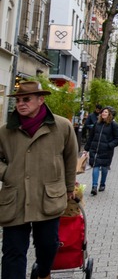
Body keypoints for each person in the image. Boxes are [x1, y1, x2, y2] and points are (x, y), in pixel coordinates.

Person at [0, 81, 79, 279]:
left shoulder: (62, 126)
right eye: (18, 100)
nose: (21, 103)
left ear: (41, 100)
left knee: (48, 245)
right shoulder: (5, 131)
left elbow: (71, 157)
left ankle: (43, 273)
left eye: (26, 99)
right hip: (15, 197)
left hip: (48, 196)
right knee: (13, 251)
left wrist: (70, 187)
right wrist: (6, 173)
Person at [84, 106, 118, 195]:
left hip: (106, 150)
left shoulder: (113, 125)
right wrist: (86, 149)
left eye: (105, 112)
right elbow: (91, 137)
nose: (103, 113)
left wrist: (110, 145)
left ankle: (102, 184)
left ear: (110, 114)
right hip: (95, 149)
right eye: (102, 112)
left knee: (104, 168)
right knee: (95, 166)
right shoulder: (97, 124)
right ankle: (94, 186)